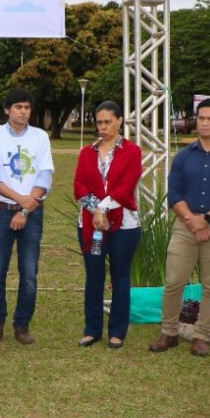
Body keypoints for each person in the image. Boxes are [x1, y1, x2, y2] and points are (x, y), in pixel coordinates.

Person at [150, 97, 210, 357]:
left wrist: (206, 220)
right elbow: (175, 194)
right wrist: (193, 222)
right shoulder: (183, 157)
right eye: (201, 118)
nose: (204, 123)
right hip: (185, 226)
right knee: (173, 281)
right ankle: (168, 332)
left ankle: (202, 336)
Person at [0, 88, 53, 345]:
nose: (23, 111)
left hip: (31, 214)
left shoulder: (40, 137)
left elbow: (45, 176)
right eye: (19, 106)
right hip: (1, 212)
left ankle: (22, 324)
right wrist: (20, 200)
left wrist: (24, 208)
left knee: (29, 273)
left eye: (27, 107)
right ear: (7, 109)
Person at [74, 101, 142, 349]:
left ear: (120, 121)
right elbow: (79, 187)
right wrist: (96, 211)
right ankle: (92, 330)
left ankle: (117, 331)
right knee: (94, 276)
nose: (103, 127)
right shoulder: (87, 152)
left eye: (108, 122)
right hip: (91, 225)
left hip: (123, 226)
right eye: (99, 122)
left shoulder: (132, 151)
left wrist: (103, 209)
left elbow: (126, 187)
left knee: (120, 277)